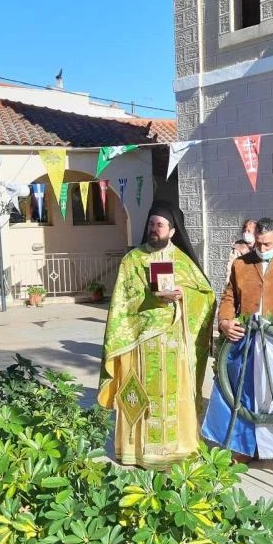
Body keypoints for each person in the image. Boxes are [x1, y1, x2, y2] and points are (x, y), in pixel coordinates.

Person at [97, 199, 216, 470]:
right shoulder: (132, 260)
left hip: (173, 343)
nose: (154, 229)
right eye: (151, 224)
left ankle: (178, 448)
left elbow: (206, 297)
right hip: (140, 343)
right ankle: (135, 450)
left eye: (160, 225)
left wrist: (183, 295)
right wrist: (150, 298)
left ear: (172, 231)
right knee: (138, 395)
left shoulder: (183, 262)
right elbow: (121, 303)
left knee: (174, 396)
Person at [208, 217, 273, 472]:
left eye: (267, 244)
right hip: (248, 340)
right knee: (249, 394)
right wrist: (225, 322)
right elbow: (229, 298)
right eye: (259, 244)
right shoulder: (241, 264)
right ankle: (245, 447)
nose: (262, 249)